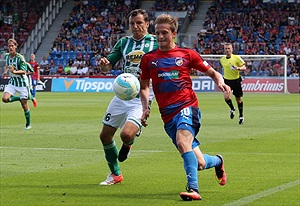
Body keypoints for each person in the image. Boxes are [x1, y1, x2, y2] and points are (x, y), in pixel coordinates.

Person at [139, 14, 230, 201]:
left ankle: (194, 189)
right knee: (200, 163)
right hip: (167, 115)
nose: (161, 36)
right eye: (157, 33)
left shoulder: (187, 54)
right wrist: (145, 107)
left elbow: (213, 73)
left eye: (165, 32)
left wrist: (221, 83)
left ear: (174, 33)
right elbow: (144, 87)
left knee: (182, 142)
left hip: (187, 106)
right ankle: (218, 161)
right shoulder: (149, 59)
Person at [98, 9, 158, 186]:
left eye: (139, 23)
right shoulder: (123, 42)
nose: (135, 26)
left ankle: (129, 142)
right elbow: (108, 67)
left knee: (125, 135)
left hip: (143, 95)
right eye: (132, 23)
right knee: (105, 136)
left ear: (147, 24)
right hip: (123, 93)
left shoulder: (156, 42)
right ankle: (115, 174)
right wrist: (104, 64)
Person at [1, 38, 35, 129]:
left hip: (22, 84)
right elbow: (9, 65)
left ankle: (28, 124)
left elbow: (23, 71)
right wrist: (5, 71)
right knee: (4, 99)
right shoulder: (7, 56)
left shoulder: (20, 58)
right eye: (9, 46)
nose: (11, 47)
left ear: (16, 46)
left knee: (24, 105)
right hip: (12, 82)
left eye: (12, 46)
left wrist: (15, 72)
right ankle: (19, 98)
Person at [220, 43, 246, 125]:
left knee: (238, 99)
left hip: (236, 81)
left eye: (229, 48)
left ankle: (241, 116)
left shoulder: (237, 58)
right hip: (227, 81)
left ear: (232, 49)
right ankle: (232, 109)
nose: (227, 50)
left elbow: (244, 67)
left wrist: (238, 68)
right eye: (226, 49)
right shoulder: (222, 60)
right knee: (226, 97)